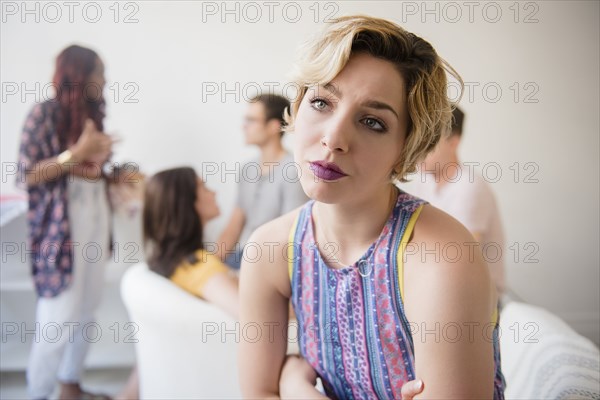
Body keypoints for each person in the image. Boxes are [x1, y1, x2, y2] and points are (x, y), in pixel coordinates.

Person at [239, 15, 505, 399]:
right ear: (296, 110)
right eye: (320, 102)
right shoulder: (269, 249)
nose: (333, 138)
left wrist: (294, 386)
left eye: (372, 122)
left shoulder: (443, 256)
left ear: (406, 150)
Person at [16, 44, 133, 400]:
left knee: (86, 309)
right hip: (61, 230)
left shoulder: (92, 118)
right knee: (57, 315)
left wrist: (114, 173)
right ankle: (38, 393)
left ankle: (71, 386)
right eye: (99, 72)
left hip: (94, 217)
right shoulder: (44, 113)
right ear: (80, 75)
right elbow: (26, 175)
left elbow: (91, 174)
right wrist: (75, 155)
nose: (105, 80)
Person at [402, 107, 507, 296]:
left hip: (479, 296)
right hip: (440, 284)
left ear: (454, 142)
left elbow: (463, 261)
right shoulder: (424, 182)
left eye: (431, 142)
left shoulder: (469, 187)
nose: (420, 150)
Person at [218, 94, 308, 269]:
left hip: (272, 262)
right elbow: (234, 225)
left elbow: (292, 236)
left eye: (251, 120)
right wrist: (210, 265)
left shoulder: (294, 170)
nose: (244, 126)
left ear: (274, 126)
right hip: (244, 254)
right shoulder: (247, 169)